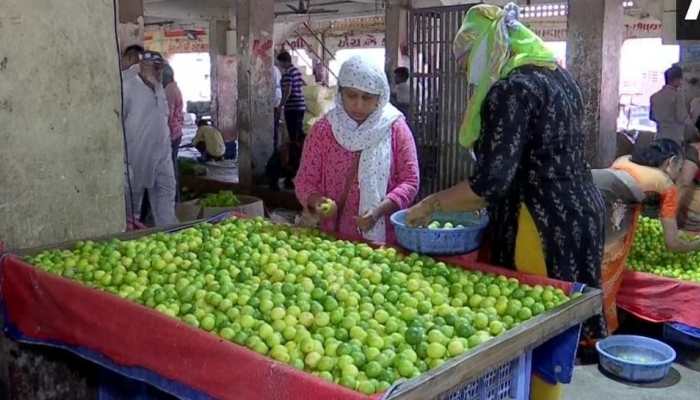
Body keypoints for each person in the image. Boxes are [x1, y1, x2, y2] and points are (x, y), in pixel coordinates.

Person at [405, 4, 603, 399]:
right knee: (557, 326)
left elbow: (489, 183)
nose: (463, 71)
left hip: (541, 221)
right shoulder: (557, 76)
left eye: (465, 59)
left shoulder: (512, 89)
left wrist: (431, 204)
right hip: (579, 214)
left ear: (488, 47)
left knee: (536, 328)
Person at [295, 55, 420, 245]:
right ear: (340, 93)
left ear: (380, 97)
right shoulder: (324, 129)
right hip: (334, 239)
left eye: (367, 97)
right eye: (351, 95)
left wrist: (379, 211)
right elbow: (305, 180)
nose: (358, 105)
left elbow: (410, 180)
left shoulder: (395, 128)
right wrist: (317, 201)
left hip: (384, 241)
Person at [592, 139, 700, 336]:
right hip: (608, 223)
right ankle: (595, 335)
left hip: (585, 207)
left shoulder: (623, 160)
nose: (678, 175)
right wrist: (697, 245)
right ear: (671, 162)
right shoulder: (667, 185)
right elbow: (672, 243)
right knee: (605, 271)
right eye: (679, 168)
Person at [122, 50, 177, 227]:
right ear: (143, 66)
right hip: (136, 154)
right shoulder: (127, 85)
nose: (159, 72)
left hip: (162, 153)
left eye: (160, 68)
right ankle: (131, 238)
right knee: (132, 205)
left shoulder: (159, 86)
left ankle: (170, 234)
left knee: (166, 195)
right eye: (156, 68)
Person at [650, 66, 689, 145]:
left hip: (659, 136)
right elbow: (681, 117)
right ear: (676, 79)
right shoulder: (677, 96)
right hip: (674, 138)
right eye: (681, 79)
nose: (681, 82)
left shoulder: (654, 96)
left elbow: (652, 117)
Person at [162, 64, 184, 197]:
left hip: (171, 134)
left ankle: (174, 198)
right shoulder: (174, 87)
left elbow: (167, 115)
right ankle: (176, 197)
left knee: (169, 169)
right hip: (176, 132)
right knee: (171, 166)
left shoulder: (169, 89)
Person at [278, 51, 307, 149]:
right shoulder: (296, 71)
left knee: (293, 135)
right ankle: (303, 154)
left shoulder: (287, 73)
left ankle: (295, 158)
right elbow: (304, 84)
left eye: (280, 63)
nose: (280, 66)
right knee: (298, 132)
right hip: (300, 106)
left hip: (292, 107)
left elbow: (288, 90)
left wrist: (281, 104)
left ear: (284, 62)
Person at [273, 64, 283, 149]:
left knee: (274, 124)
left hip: (274, 97)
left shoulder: (271, 69)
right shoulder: (276, 68)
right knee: (275, 124)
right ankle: (275, 145)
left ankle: (274, 145)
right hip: (278, 96)